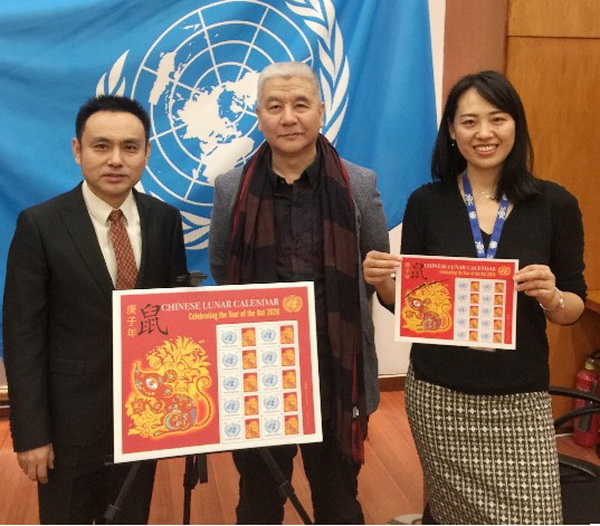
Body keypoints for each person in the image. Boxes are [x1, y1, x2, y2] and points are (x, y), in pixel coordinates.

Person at [363, 71, 586, 524]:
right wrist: (383, 283)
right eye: (469, 121)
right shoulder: (426, 202)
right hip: (439, 395)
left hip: (519, 397)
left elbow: (573, 307)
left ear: (516, 124)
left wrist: (552, 296)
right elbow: (411, 304)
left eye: (497, 119)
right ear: (452, 130)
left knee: (537, 515)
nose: (484, 133)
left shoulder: (555, 203)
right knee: (453, 515)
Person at [209, 61, 389, 524]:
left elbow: (376, 273)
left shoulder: (359, 185)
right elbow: (221, 269)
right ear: (259, 116)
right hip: (258, 368)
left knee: (338, 499)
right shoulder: (231, 189)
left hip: (337, 369)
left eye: (301, 105)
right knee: (259, 499)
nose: (288, 118)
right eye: (275, 106)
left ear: (321, 111)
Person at [3, 95, 187, 524]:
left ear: (147, 152)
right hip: (68, 425)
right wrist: (31, 433)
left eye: (130, 147)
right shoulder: (40, 224)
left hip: (144, 416)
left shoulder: (165, 220)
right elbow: (22, 335)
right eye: (101, 146)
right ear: (77, 150)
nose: (116, 160)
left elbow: (174, 319)